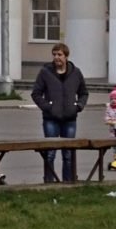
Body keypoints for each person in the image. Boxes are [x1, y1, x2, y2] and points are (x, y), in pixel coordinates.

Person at [30, 40, 87, 183]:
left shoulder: (76, 73)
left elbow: (83, 93)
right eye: (54, 54)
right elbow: (36, 94)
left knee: (68, 153)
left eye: (59, 54)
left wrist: (78, 106)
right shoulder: (45, 72)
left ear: (66, 56)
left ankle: (68, 181)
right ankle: (49, 181)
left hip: (69, 119)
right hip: (51, 119)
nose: (56, 57)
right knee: (50, 153)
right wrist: (47, 107)